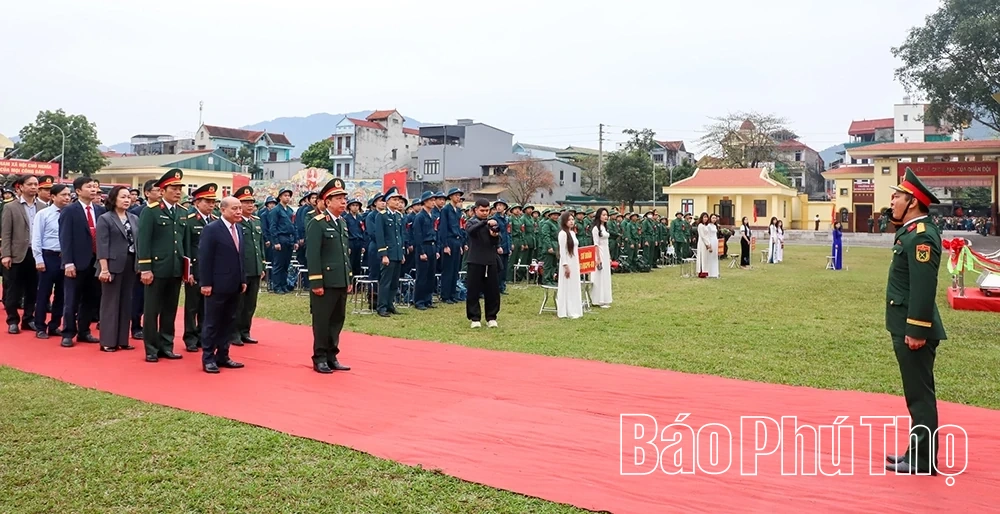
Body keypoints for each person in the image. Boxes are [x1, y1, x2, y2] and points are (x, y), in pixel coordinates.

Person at [883, 167, 947, 476]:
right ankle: (916, 452)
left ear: (912, 202)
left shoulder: (922, 236)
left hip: (914, 329)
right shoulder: (910, 232)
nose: (892, 200)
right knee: (915, 395)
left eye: (897, 196)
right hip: (905, 324)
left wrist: (916, 329)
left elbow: (924, 287)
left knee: (920, 395)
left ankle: (922, 461)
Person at [137, 168, 186, 363]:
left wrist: (186, 268)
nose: (177, 192)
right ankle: (151, 348)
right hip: (156, 270)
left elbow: (182, 242)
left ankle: (167, 346)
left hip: (174, 269)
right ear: (163, 190)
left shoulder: (182, 212)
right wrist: (145, 268)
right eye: (173, 188)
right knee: (152, 310)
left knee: (170, 310)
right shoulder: (151, 211)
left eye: (179, 188)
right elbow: (144, 241)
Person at [306, 178, 353, 374]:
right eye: (338, 198)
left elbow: (344, 254)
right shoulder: (317, 223)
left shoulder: (341, 223)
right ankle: (320, 357)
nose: (343, 202)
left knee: (337, 320)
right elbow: (313, 254)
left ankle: (332, 355)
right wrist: (316, 281)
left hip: (340, 280)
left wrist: (348, 278)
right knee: (322, 321)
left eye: (344, 198)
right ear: (327, 202)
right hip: (324, 282)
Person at [197, 196, 247, 374]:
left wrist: (243, 280)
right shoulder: (212, 229)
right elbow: (205, 258)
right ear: (223, 210)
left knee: (229, 321)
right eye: (234, 208)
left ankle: (223, 355)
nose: (239, 211)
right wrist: (206, 283)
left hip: (234, 284)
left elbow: (240, 256)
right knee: (212, 322)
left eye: (240, 208)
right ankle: (208, 358)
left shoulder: (239, 229)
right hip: (216, 285)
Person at [58, 176, 105, 347]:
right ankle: (68, 332)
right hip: (76, 262)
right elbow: (65, 238)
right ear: (78, 191)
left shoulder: (100, 210)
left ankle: (84, 331)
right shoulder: (69, 211)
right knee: (71, 299)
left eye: (94, 186)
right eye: (89, 187)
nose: (93, 189)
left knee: (90, 299)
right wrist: (68, 262)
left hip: (95, 262)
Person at [95, 186, 139, 352]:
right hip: (111, 264)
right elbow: (102, 245)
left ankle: (122, 339)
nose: (127, 200)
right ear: (114, 199)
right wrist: (104, 269)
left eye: (128, 197)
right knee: (110, 303)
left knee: (126, 302)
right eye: (123, 197)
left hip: (130, 263)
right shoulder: (105, 219)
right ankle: (108, 341)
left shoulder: (134, 218)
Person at [2, 175, 46, 334]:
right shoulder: (11, 207)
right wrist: (6, 254)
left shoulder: (42, 206)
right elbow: (6, 233)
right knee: (14, 288)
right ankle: (12, 320)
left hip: (36, 253)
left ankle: (29, 318)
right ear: (20, 187)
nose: (34, 187)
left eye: (36, 184)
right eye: (30, 184)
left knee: (32, 288)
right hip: (17, 253)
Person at [32, 183, 72, 339]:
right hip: (48, 257)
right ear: (53, 196)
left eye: (69, 194)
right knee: (44, 293)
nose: (67, 198)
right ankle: (40, 326)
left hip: (66, 258)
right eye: (63, 195)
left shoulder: (71, 213)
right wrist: (38, 259)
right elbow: (36, 238)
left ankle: (55, 325)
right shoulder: (43, 214)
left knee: (62, 295)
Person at [232, 186, 265, 346]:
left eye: (251, 202)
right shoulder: (235, 222)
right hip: (241, 268)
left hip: (255, 268)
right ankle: (234, 333)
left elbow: (260, 246)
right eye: (246, 202)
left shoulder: (257, 221)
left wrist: (262, 266)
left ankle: (245, 331)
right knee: (239, 303)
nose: (250, 205)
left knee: (251, 303)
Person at [464, 198, 501, 328]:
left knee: (492, 291)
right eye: (482, 210)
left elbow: (496, 242)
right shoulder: (471, 222)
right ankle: (475, 318)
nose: (485, 213)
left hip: (490, 260)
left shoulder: (492, 223)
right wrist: (485, 223)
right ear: (475, 210)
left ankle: (491, 317)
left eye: (487, 210)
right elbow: (470, 232)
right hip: (475, 260)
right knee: (473, 291)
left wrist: (494, 235)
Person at [375, 187, 405, 317]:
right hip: (388, 254)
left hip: (397, 253)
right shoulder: (381, 216)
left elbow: (400, 236)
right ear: (387, 201)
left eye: (398, 199)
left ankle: (390, 304)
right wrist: (384, 254)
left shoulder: (398, 216)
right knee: (385, 282)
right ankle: (381, 306)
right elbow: (380, 236)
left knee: (394, 282)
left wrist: (402, 252)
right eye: (394, 199)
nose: (397, 202)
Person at [437, 187, 464, 303]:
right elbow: (443, 228)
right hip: (449, 240)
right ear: (451, 197)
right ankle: (445, 295)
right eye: (456, 195)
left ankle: (453, 294)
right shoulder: (446, 210)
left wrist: (461, 244)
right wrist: (445, 245)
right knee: (448, 269)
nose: (458, 197)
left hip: (457, 240)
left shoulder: (458, 211)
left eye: (459, 195)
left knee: (455, 269)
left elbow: (459, 227)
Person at [412, 191, 438, 310]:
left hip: (432, 246)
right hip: (424, 246)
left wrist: (436, 249)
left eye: (434, 200)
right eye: (431, 200)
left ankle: (428, 299)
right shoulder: (419, 217)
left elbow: (434, 232)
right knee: (422, 275)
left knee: (430, 275)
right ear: (425, 202)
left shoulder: (432, 216)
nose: (433, 202)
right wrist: (421, 252)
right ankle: (419, 300)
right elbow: (417, 235)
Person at [556, 212, 583, 319]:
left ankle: (575, 308)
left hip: (574, 261)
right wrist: (565, 265)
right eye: (569, 220)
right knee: (567, 285)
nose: (571, 221)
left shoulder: (572, 233)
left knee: (574, 286)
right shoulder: (562, 234)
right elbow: (562, 251)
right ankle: (566, 309)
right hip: (567, 263)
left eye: (572, 219)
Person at [590, 207, 612, 308]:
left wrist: (609, 257)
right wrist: (598, 258)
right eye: (603, 215)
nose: (605, 217)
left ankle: (606, 298)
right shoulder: (596, 229)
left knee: (606, 275)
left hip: (606, 251)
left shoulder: (605, 227)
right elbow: (596, 244)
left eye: (606, 215)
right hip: (599, 252)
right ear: (599, 216)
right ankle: (598, 299)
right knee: (600, 274)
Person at [695, 213, 713, 278]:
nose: (705, 219)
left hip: (707, 241)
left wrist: (709, 243)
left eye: (706, 217)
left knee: (705, 257)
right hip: (702, 243)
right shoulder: (700, 226)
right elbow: (703, 236)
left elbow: (707, 235)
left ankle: (705, 271)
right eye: (704, 217)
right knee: (702, 256)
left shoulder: (706, 226)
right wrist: (707, 244)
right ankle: (701, 272)